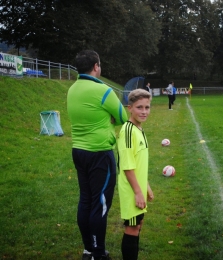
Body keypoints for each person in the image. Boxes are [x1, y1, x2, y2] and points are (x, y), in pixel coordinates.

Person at [67, 50, 128, 260]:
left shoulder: (72, 89)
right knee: (99, 204)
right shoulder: (103, 90)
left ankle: (87, 249)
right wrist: (110, 119)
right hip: (100, 153)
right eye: (100, 65)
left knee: (85, 200)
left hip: (79, 151)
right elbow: (123, 116)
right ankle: (98, 253)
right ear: (96, 66)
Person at [117, 89, 154, 260]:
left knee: (138, 225)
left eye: (147, 107)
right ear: (129, 108)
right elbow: (127, 166)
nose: (144, 111)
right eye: (139, 107)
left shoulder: (139, 129)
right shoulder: (128, 130)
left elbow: (138, 162)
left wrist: (145, 186)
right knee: (132, 228)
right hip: (132, 190)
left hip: (138, 187)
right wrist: (138, 192)